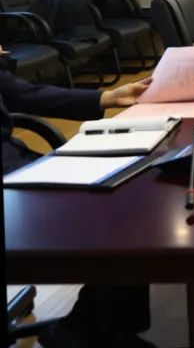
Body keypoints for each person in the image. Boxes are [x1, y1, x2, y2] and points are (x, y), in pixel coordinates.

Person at [1, 53, 155, 347]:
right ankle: (92, 331)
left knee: (122, 195)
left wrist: (107, 97)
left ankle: (97, 325)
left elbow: (20, 93)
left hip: (16, 161)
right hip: (10, 175)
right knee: (106, 213)